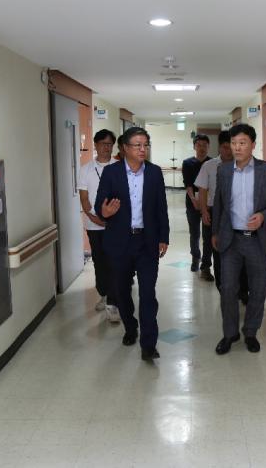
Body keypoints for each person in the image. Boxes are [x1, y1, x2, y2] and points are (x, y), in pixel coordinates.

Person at [95, 127, 169, 361]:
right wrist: (105, 212)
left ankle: (149, 344)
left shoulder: (154, 172)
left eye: (145, 144)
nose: (142, 149)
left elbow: (161, 207)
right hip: (120, 242)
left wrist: (164, 237)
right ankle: (130, 326)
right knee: (122, 291)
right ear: (124, 148)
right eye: (137, 145)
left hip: (147, 241)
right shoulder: (111, 173)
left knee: (148, 294)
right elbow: (100, 205)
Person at [212, 123, 266, 355]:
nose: (237, 147)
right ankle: (230, 333)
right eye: (233, 143)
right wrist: (215, 232)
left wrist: (263, 216)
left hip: (257, 240)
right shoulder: (224, 171)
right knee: (228, 289)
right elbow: (219, 204)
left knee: (258, 289)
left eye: (242, 143)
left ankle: (251, 332)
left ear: (253, 145)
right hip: (231, 240)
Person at [194, 131, 249, 303]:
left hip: (237, 214)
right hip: (214, 212)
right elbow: (202, 190)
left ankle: (242, 290)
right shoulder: (209, 166)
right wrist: (204, 212)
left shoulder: (242, 164)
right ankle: (222, 287)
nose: (228, 151)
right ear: (220, 147)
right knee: (217, 250)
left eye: (231, 147)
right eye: (225, 147)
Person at [78, 129, 120, 322]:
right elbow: (84, 199)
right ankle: (104, 293)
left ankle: (113, 302)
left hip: (116, 224)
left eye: (109, 144)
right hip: (94, 225)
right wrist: (96, 219)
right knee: (100, 261)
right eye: (103, 143)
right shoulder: (86, 169)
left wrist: (112, 219)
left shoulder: (119, 167)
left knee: (115, 262)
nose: (106, 147)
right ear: (95, 145)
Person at [182, 134, 212, 277]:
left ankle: (206, 264)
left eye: (204, 145)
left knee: (207, 235)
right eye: (199, 145)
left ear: (208, 147)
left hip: (209, 204)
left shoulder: (212, 163)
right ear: (194, 146)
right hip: (192, 203)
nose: (202, 148)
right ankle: (195, 257)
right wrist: (194, 200)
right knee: (194, 233)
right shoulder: (187, 163)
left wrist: (206, 203)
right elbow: (188, 184)